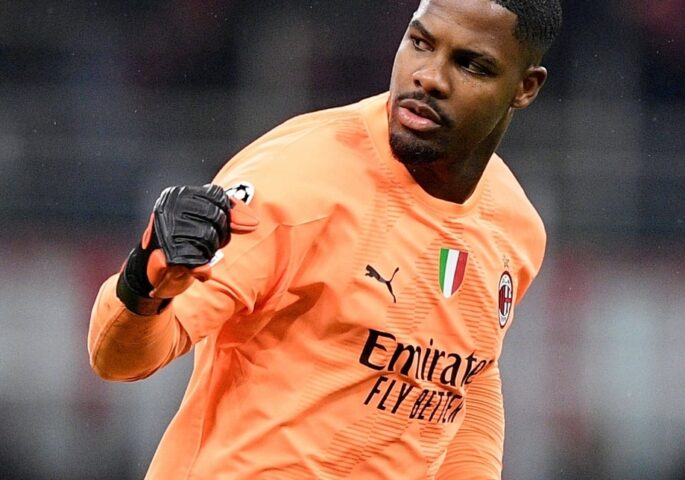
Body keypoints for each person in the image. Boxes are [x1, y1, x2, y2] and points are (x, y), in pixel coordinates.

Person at [87, 0, 562, 478]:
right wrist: (145, 280)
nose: (429, 77)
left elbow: (464, 379)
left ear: (525, 87)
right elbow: (118, 360)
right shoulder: (299, 179)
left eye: (471, 64)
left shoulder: (513, 225)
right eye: (420, 43)